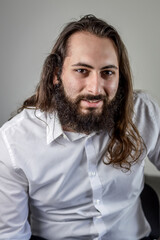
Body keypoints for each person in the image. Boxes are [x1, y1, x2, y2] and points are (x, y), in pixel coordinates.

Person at [0, 14, 159, 240]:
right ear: (56, 75)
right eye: (82, 71)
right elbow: (10, 235)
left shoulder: (143, 112)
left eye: (107, 72)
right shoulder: (13, 142)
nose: (95, 88)